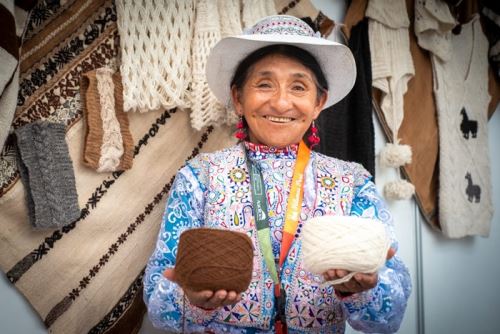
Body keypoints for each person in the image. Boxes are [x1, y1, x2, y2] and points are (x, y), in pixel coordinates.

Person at [143, 15, 411, 334]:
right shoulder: (200, 178)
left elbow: (387, 319)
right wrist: (194, 300)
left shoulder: (352, 184)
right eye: (264, 84)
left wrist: (362, 289)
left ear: (318, 103)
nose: (281, 102)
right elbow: (161, 308)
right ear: (239, 98)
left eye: (298, 86)